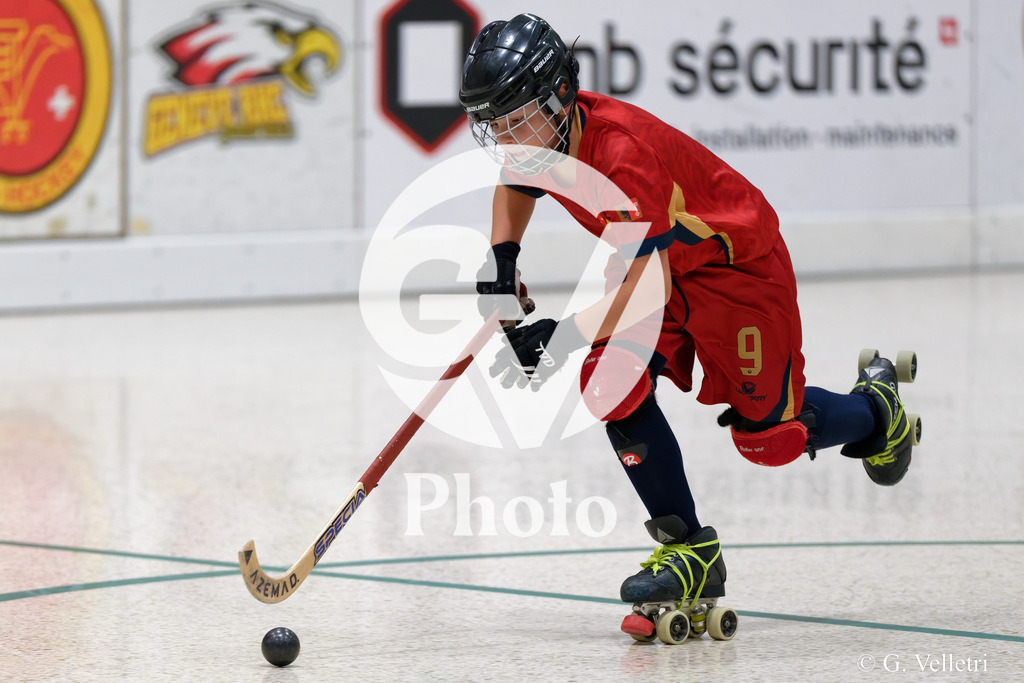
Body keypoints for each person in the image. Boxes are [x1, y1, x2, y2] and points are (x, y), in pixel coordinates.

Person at [459, 13, 919, 638]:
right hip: (658, 262)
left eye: (517, 120)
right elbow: (519, 180)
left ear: (560, 95)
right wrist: (502, 256)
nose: (509, 139)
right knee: (608, 380)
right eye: (496, 124)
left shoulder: (620, 154)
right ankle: (691, 551)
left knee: (769, 440)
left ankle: (877, 410)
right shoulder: (547, 137)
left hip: (737, 270)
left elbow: (647, 287)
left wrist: (560, 336)